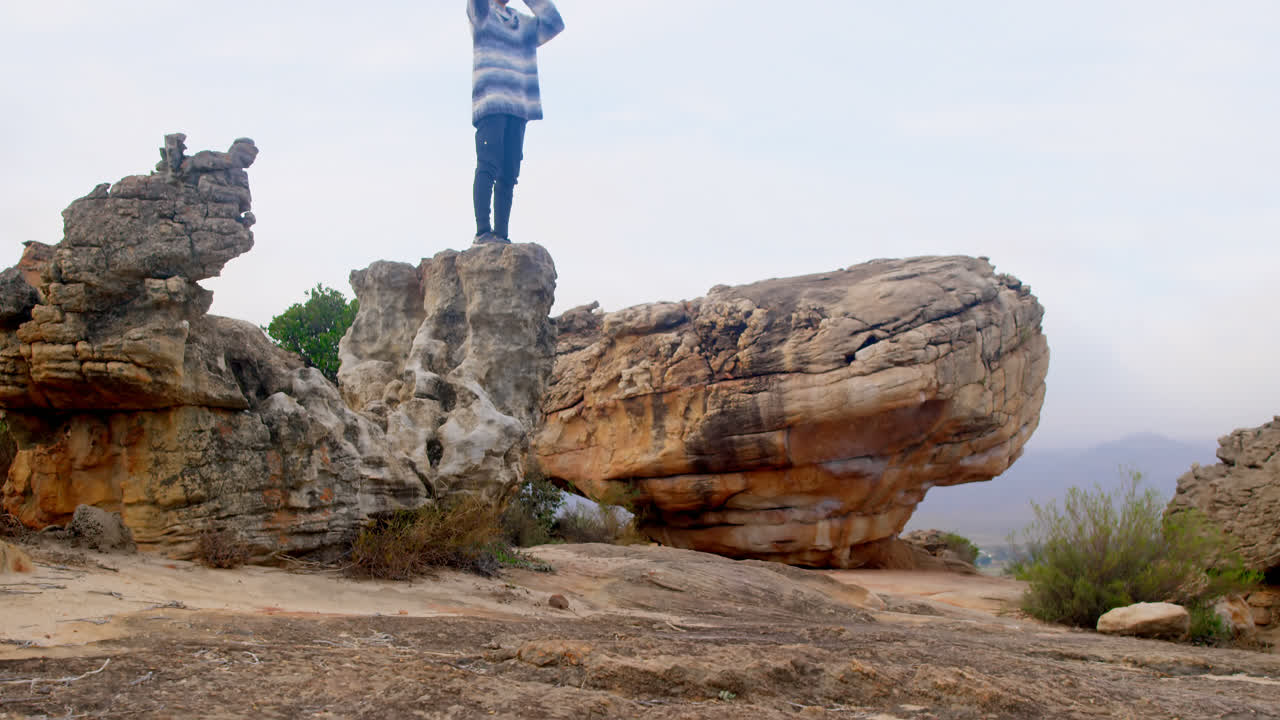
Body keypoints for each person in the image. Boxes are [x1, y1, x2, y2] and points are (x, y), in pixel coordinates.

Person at [468, 0, 564, 245]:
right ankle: (483, 233)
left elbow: (554, 23)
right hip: (491, 100)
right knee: (488, 165)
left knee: (509, 173)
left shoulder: (522, 24)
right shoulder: (483, 14)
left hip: (518, 105)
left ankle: (501, 235)